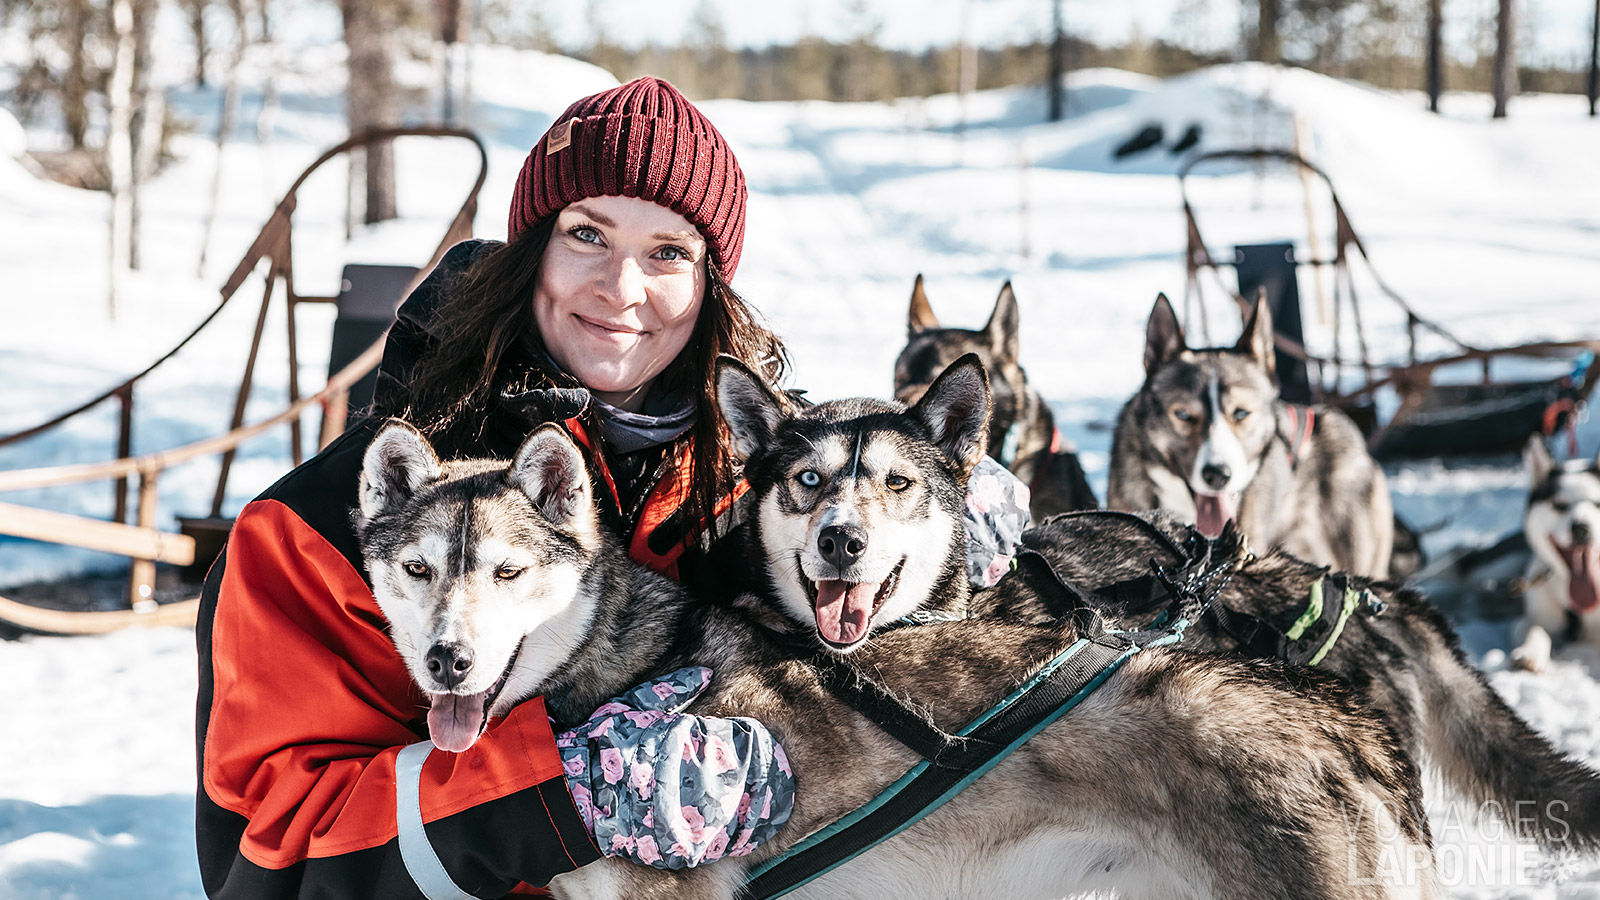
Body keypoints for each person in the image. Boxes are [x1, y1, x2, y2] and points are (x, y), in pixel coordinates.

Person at [196, 77, 1029, 900]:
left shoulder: (751, 479)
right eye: (587, 235)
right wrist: (557, 798)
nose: (622, 290)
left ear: (709, 286)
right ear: (532, 251)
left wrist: (946, 519)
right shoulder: (315, 529)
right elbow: (270, 861)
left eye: (668, 252)